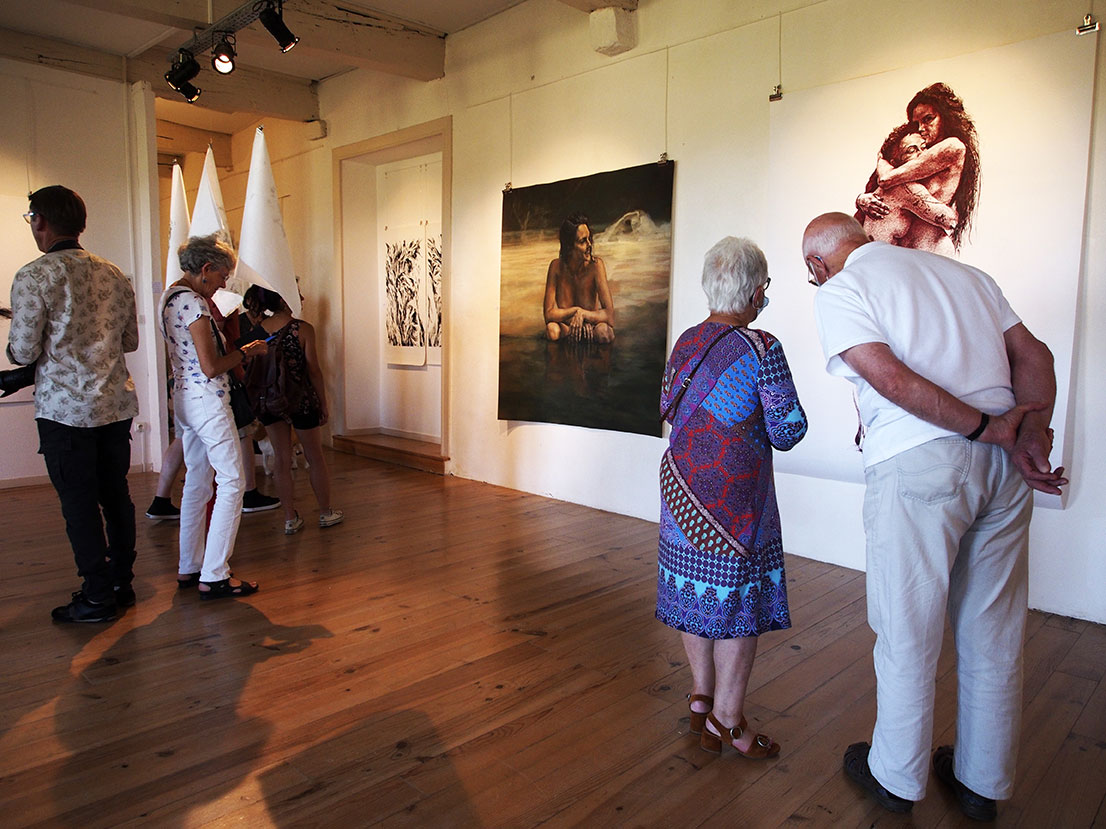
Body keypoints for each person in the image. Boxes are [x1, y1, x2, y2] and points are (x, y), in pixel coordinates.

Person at [802, 213, 1065, 820]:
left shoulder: (842, 288)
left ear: (817, 264)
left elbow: (888, 378)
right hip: (1004, 469)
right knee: (994, 627)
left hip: (921, 465)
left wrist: (982, 426)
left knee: (906, 627)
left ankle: (895, 778)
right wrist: (1030, 432)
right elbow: (1035, 354)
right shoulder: (967, 276)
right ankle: (981, 784)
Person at [657, 236, 807, 758]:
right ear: (755, 291)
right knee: (738, 602)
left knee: (694, 593)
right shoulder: (763, 348)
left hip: (682, 492)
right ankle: (727, 720)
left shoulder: (686, 342)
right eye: (764, 286)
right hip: (736, 507)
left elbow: (668, 408)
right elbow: (788, 430)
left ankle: (702, 697)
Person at [7, 186, 139, 622]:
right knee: (115, 496)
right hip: (114, 405)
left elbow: (23, 351)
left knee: (79, 504)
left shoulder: (34, 276)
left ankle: (96, 596)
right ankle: (121, 583)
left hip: (64, 412)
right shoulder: (114, 273)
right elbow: (130, 341)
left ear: (40, 221)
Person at [159, 234, 267, 599]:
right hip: (207, 400)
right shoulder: (194, 303)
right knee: (233, 481)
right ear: (205, 269)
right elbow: (211, 366)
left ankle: (190, 565)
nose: (223, 284)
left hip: (184, 399)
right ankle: (216, 573)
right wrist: (247, 352)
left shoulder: (169, 297)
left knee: (197, 481)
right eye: (222, 276)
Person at [241, 285, 343, 535]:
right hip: (301, 399)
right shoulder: (302, 329)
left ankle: (290, 518)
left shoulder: (257, 331)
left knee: (282, 459)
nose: (302, 297)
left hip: (270, 401)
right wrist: (323, 401)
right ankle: (325, 512)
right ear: (284, 298)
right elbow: (313, 370)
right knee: (314, 456)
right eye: (297, 292)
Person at [856, 82, 980, 254]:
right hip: (907, 247)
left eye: (928, 119)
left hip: (929, 246)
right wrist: (861, 199)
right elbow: (885, 188)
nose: (921, 128)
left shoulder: (953, 146)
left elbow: (887, 179)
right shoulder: (921, 151)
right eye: (917, 123)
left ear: (945, 117)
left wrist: (881, 159)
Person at [854, 123, 958, 247]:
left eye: (924, 147)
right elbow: (950, 221)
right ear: (895, 162)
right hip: (879, 256)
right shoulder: (905, 187)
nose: (923, 154)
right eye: (911, 151)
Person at [543, 214, 615, 343]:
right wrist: (576, 312)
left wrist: (584, 315)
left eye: (589, 239)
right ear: (569, 247)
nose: (589, 245)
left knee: (604, 332)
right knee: (552, 330)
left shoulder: (596, 265)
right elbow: (548, 314)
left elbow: (609, 315)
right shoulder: (556, 267)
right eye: (583, 241)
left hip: (591, 327)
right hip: (567, 328)